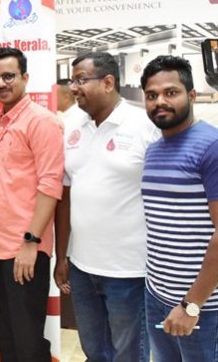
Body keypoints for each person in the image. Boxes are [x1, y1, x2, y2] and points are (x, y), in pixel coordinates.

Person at [140, 55, 218, 361]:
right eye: (152, 95)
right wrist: (156, 291)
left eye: (170, 92)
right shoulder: (154, 150)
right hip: (158, 296)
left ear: (191, 95)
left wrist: (191, 304)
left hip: (206, 306)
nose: (160, 101)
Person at [53, 52, 158, 362]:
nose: (73, 87)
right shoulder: (70, 125)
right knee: (95, 351)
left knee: (130, 354)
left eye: (81, 80)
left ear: (108, 82)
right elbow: (65, 196)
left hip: (130, 270)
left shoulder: (145, 126)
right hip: (82, 268)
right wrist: (63, 255)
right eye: (72, 80)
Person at [0, 47, 64, 361]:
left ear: (25, 77)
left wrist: (31, 242)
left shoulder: (42, 122)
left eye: (9, 76)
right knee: (8, 335)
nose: (1, 83)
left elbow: (50, 186)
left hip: (26, 248)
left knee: (28, 339)